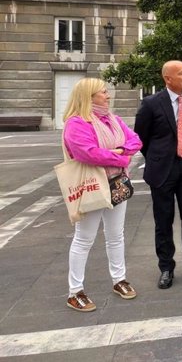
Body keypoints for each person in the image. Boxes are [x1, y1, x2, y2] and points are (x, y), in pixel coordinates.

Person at [62, 78, 142, 312]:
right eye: (103, 92)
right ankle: (74, 291)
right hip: (90, 186)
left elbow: (135, 140)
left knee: (116, 235)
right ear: (89, 97)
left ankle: (119, 280)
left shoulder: (113, 120)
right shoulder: (76, 123)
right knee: (84, 239)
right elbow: (87, 153)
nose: (108, 96)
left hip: (116, 183)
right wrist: (121, 157)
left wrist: (119, 151)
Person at [134, 60, 182, 289]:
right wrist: (158, 157)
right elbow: (140, 138)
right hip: (163, 170)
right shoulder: (151, 103)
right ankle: (166, 267)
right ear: (168, 78)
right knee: (163, 220)